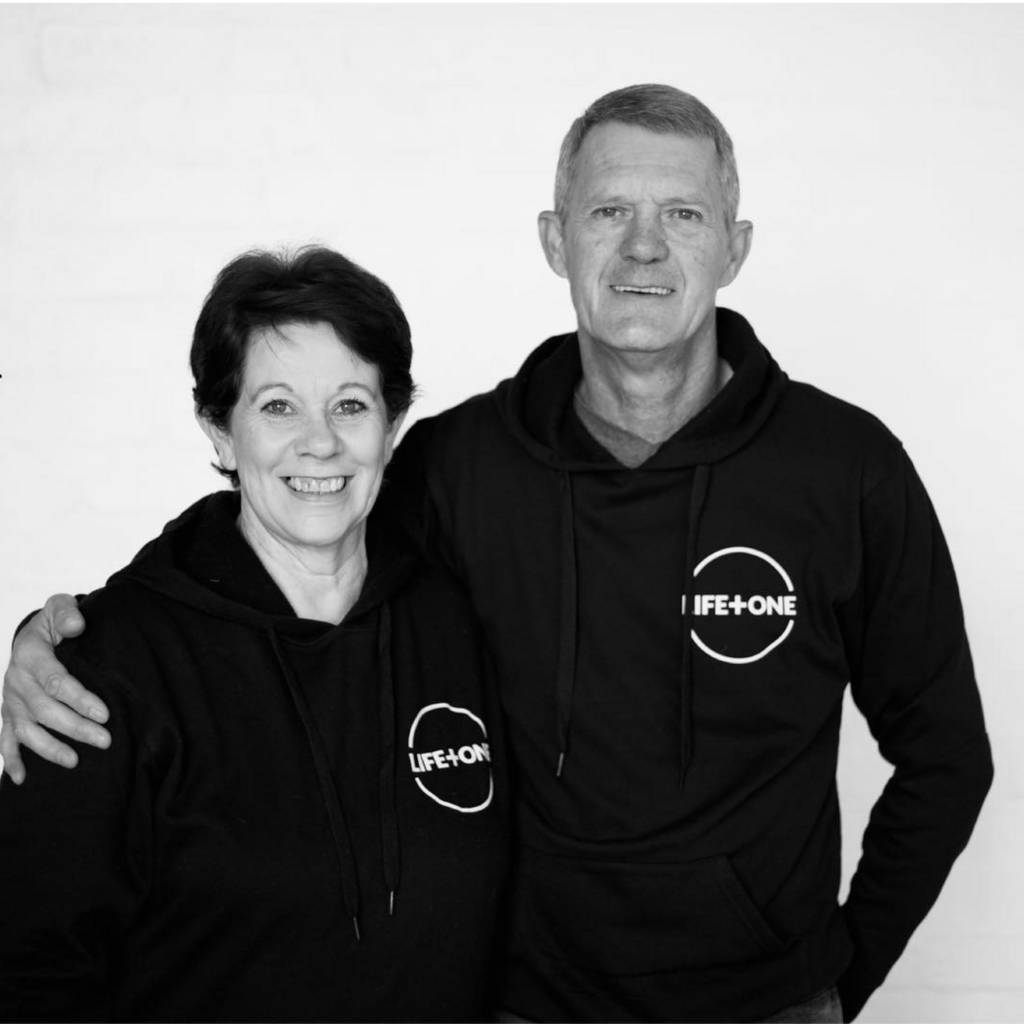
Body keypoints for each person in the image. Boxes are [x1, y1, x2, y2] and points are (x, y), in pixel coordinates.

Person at [2, 85, 992, 1022]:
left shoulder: (845, 469)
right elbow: (289, 521)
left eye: (683, 214)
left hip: (769, 1003)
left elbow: (945, 756)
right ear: (555, 240)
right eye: (608, 211)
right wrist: (73, 637)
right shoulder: (460, 466)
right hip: (526, 1005)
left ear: (734, 247)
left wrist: (838, 975)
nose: (643, 245)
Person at [0, 247, 508, 1021]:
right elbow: (25, 970)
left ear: (392, 426)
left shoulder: (453, 621)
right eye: (277, 407)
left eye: (350, 405)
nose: (319, 442)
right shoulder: (107, 671)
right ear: (220, 432)